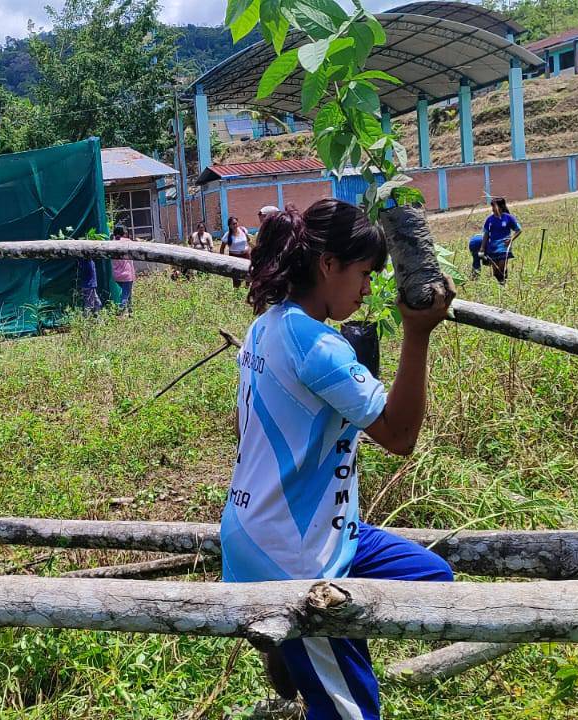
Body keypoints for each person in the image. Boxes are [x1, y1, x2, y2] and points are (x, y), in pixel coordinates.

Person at [224, 199, 454, 720]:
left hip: (267, 523)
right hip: (293, 553)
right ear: (328, 265)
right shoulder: (318, 346)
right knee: (353, 713)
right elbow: (399, 435)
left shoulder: (269, 325)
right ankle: (304, 647)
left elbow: (245, 428)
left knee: (432, 581)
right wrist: (417, 333)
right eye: (366, 273)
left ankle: (295, 651)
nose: (369, 288)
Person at [479, 197, 520, 285]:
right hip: (492, 248)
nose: (493, 209)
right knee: (495, 272)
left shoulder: (508, 218)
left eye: (494, 206)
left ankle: (503, 285)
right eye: (492, 207)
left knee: (501, 268)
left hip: (504, 246)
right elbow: (486, 234)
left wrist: (511, 239)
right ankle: (501, 284)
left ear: (501, 207)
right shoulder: (489, 219)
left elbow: (518, 230)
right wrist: (482, 247)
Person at [111, 225, 137, 314]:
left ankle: (131, 312)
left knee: (128, 293)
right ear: (123, 233)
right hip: (127, 275)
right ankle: (120, 313)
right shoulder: (127, 242)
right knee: (125, 296)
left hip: (117, 275)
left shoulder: (111, 243)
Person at [222, 216, 251, 288]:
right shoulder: (227, 235)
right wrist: (222, 259)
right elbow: (222, 248)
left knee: (248, 272)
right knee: (236, 274)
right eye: (232, 224)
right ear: (229, 225)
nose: (234, 225)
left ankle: (247, 287)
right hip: (234, 257)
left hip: (246, 255)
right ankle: (236, 290)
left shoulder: (243, 230)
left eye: (235, 223)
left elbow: (248, 241)